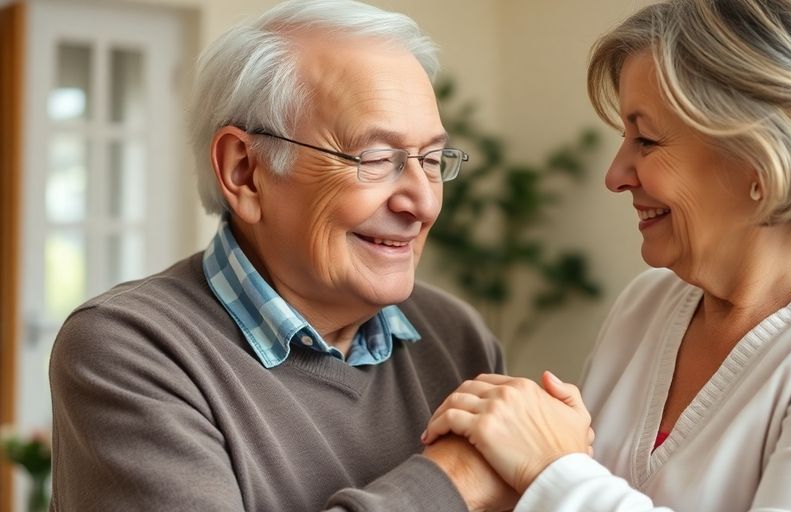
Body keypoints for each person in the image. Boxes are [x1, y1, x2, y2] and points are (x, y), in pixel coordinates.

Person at [422, 0, 791, 510]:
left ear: (759, 159)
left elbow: (571, 490)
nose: (615, 176)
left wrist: (551, 471)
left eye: (646, 141)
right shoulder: (647, 306)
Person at [48, 1, 515, 510]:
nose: (423, 203)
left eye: (430, 160)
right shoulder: (130, 349)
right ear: (245, 171)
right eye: (376, 159)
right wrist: (456, 476)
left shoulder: (457, 337)